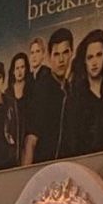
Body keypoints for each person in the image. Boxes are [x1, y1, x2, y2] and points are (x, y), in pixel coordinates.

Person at [22, 27, 73, 165]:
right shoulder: (43, 88)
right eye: (56, 54)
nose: (61, 59)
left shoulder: (71, 89)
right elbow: (30, 140)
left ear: (71, 54)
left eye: (65, 53)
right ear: (50, 57)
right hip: (44, 173)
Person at [63, 28, 103, 157]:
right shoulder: (75, 99)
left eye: (99, 55)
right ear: (84, 61)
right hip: (87, 165)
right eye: (90, 57)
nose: (94, 62)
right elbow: (71, 143)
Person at [8, 52, 30, 165]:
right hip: (13, 136)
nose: (20, 71)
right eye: (17, 68)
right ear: (13, 70)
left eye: (22, 67)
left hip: (27, 134)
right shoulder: (8, 93)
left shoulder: (31, 87)